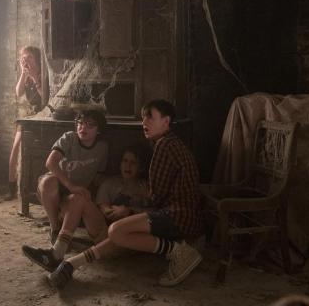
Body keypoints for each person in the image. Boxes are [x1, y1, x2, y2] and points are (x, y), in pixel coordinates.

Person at [46, 99, 204, 288]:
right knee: (112, 228)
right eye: (143, 118)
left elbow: (156, 199)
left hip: (178, 216)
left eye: (150, 117)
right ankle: (67, 260)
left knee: (117, 231)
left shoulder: (165, 146)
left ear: (166, 121)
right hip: (176, 213)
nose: (144, 122)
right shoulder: (169, 143)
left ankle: (179, 251)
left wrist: (129, 210)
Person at [21, 144, 150, 272]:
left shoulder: (146, 188)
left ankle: (60, 257)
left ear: (140, 167)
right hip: (106, 235)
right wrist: (112, 211)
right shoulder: (111, 183)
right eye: (125, 161)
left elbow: (155, 215)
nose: (127, 166)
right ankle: (57, 253)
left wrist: (130, 210)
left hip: (131, 239)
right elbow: (104, 208)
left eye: (133, 163)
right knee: (78, 199)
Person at [23, 109, 109, 268]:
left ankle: (56, 253)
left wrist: (95, 202)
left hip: (74, 196)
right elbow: (50, 163)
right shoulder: (69, 137)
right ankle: (55, 228)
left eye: (90, 125)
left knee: (78, 198)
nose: (83, 127)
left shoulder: (102, 148)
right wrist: (71, 185)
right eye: (80, 123)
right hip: (56, 187)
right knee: (49, 182)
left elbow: (99, 176)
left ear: (99, 130)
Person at [6, 46, 43, 200]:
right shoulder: (26, 75)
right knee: (15, 148)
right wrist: (23, 74)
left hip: (45, 116)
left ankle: (35, 190)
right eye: (23, 58)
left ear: (37, 59)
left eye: (29, 57)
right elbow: (19, 93)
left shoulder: (44, 74)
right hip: (30, 116)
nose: (26, 61)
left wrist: (35, 78)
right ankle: (11, 188)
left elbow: (45, 97)